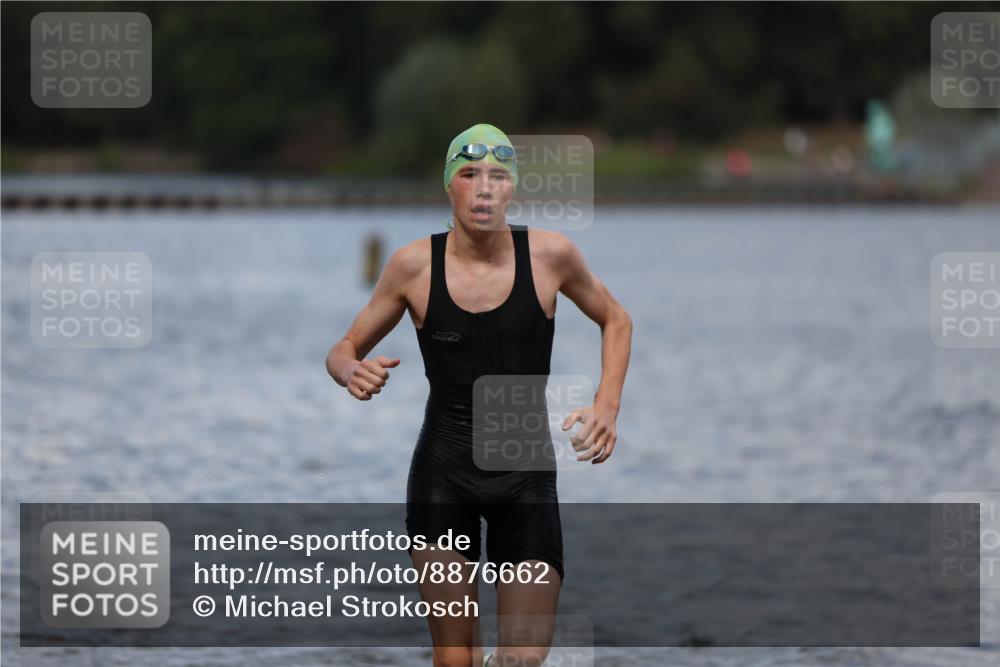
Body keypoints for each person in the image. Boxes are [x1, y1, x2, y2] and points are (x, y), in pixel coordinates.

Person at [326, 123, 632, 667]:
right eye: (469, 174)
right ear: (450, 186)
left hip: (525, 475)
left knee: (523, 659)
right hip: (444, 473)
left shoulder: (551, 256)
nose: (484, 187)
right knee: (455, 659)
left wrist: (607, 404)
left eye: (497, 176)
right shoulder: (412, 266)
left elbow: (616, 319)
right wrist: (352, 371)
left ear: (512, 188)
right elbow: (344, 347)